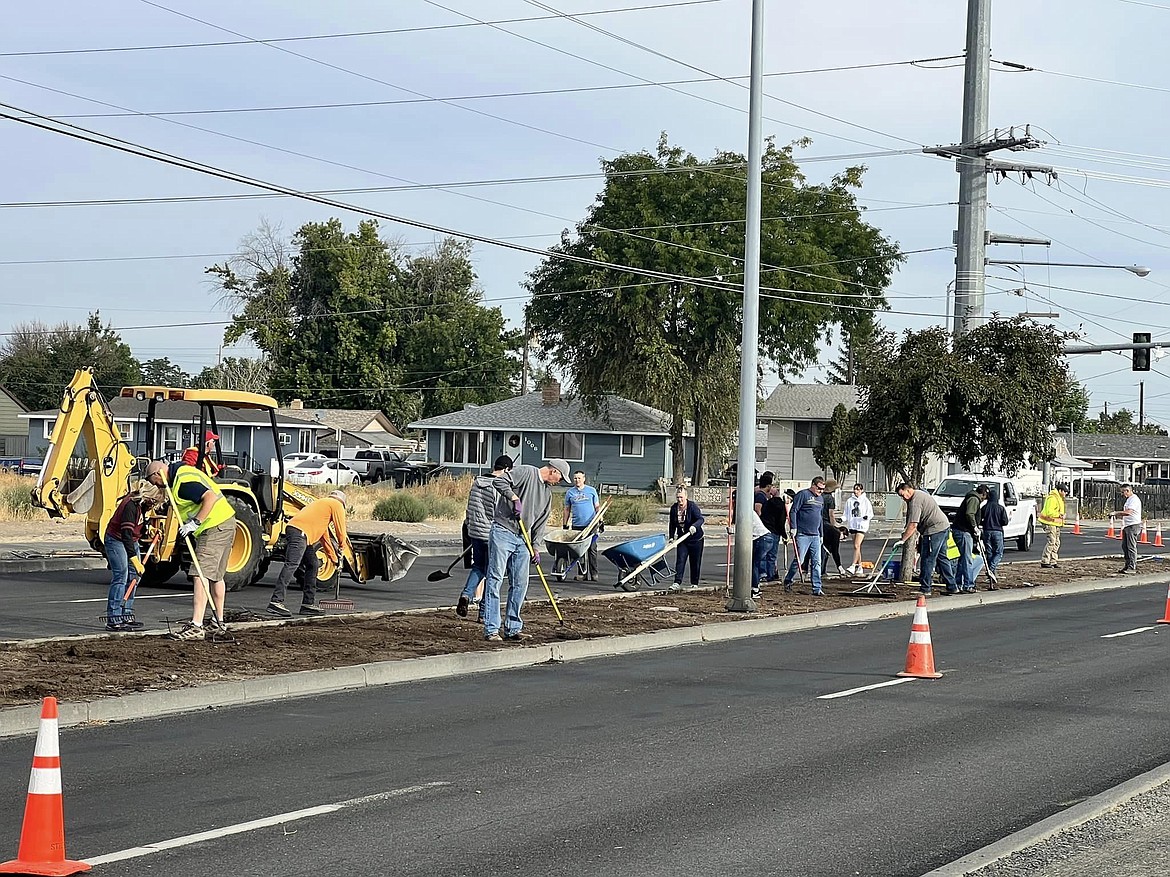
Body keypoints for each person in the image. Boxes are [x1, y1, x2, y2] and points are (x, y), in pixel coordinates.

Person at [146, 459, 237, 640]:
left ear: (157, 474)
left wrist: (195, 523)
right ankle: (217, 622)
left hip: (214, 526)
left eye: (152, 481)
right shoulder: (183, 472)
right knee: (216, 576)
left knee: (200, 574)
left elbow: (209, 497)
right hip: (226, 522)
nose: (155, 485)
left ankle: (196, 625)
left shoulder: (182, 482)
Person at [482, 458, 569, 642]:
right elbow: (499, 481)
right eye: (560, 478)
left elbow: (540, 523)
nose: (559, 483)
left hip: (523, 538)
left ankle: (513, 628)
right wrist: (513, 498)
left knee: (521, 583)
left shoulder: (547, 494)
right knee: (495, 579)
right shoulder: (527, 472)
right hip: (503, 530)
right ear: (553, 471)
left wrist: (535, 547)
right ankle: (491, 629)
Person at [267, 490, 351, 618]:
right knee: (292, 564)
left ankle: (308, 604)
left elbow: (325, 539)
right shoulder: (336, 505)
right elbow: (341, 531)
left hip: (300, 532)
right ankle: (276, 602)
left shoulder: (322, 507)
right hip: (300, 532)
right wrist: (342, 547)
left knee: (313, 564)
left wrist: (334, 560)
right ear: (343, 503)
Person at [457, 455, 513, 618]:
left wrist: (471, 526)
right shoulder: (498, 487)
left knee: (479, 566)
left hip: (474, 531)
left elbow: (469, 508)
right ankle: (484, 613)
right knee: (492, 573)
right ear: (506, 469)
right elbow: (500, 512)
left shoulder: (476, 483)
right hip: (491, 534)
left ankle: (466, 594)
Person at [103, 480, 161, 631]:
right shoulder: (130, 506)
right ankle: (113, 618)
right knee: (121, 575)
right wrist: (135, 560)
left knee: (135, 576)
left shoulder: (143, 506)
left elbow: (140, 526)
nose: (154, 505)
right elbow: (126, 535)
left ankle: (126, 615)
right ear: (148, 497)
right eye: (154, 501)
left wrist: (149, 530)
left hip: (130, 540)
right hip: (116, 539)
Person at [896, 482, 955, 596]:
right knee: (942, 558)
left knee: (928, 558)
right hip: (943, 526)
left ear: (908, 490)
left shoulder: (915, 501)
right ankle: (952, 586)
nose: (903, 499)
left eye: (903, 495)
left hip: (934, 529)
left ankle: (925, 588)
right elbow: (911, 522)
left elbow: (913, 525)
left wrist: (902, 540)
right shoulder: (919, 495)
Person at [782, 476, 826, 597]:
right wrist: (793, 527)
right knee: (799, 560)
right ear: (813, 485)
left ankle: (817, 588)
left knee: (817, 562)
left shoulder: (821, 499)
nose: (821, 491)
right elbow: (793, 511)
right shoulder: (803, 494)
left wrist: (821, 534)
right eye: (819, 488)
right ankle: (788, 580)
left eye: (823, 489)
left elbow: (820, 518)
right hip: (802, 534)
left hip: (815, 535)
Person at [563, 470, 601, 581]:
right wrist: (565, 524)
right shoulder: (570, 493)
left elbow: (597, 507)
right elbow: (566, 509)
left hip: (591, 524)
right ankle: (582, 573)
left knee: (592, 549)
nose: (577, 480)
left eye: (579, 478)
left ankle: (594, 573)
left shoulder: (591, 491)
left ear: (584, 479)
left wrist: (600, 520)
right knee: (580, 551)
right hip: (577, 525)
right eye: (575, 478)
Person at [668, 485, 705, 592]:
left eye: (681, 498)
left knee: (695, 561)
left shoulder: (692, 507)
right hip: (683, 539)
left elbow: (700, 519)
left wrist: (694, 526)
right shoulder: (674, 508)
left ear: (686, 497)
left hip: (696, 539)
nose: (680, 500)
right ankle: (677, 582)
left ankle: (694, 583)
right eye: (678, 497)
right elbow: (672, 524)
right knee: (680, 560)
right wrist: (671, 537)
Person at [951, 484, 982, 593]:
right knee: (967, 559)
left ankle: (958, 583)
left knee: (963, 558)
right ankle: (968, 584)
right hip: (964, 531)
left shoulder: (970, 498)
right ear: (983, 494)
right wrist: (974, 527)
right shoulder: (974, 499)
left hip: (961, 531)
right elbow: (970, 514)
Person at [977, 484, 1007, 587]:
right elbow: (1005, 521)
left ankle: (991, 573)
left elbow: (979, 520)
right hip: (997, 531)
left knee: (989, 552)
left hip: (986, 531)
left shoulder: (984, 507)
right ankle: (991, 569)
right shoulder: (1000, 508)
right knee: (998, 552)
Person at [759, 481, 789, 580]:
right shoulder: (781, 505)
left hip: (765, 530)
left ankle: (763, 573)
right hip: (775, 532)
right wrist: (784, 534)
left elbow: (763, 515)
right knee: (772, 555)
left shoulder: (767, 503)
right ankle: (770, 575)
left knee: (763, 553)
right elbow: (781, 521)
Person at [1110, 483, 1142, 575]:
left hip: (1133, 525)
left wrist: (1116, 513)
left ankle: (1132, 567)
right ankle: (1127, 565)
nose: (1122, 494)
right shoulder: (1129, 500)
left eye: (1123, 492)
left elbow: (1128, 512)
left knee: (1131, 547)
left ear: (1128, 491)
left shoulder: (1134, 500)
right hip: (1128, 525)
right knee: (1125, 546)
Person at [843, 483, 873, 576]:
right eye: (855, 489)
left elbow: (870, 513)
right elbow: (846, 513)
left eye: (858, 489)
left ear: (862, 490)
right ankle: (860, 566)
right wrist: (842, 519)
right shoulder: (849, 501)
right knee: (857, 547)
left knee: (857, 545)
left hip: (861, 525)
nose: (856, 491)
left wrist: (866, 517)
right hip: (853, 525)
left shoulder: (865, 501)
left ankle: (853, 565)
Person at [1038, 483, 1068, 569]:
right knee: (1052, 541)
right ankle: (1045, 561)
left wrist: (1061, 516)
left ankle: (1053, 561)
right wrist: (1060, 515)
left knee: (1056, 542)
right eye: (1065, 492)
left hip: (1056, 524)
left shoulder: (1059, 498)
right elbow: (1049, 512)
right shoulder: (1052, 498)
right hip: (1049, 523)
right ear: (1060, 491)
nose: (1066, 494)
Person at [750, 507, 774, 600]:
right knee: (755, 563)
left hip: (762, 538)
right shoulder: (746, 511)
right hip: (764, 538)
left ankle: (755, 589)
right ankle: (755, 586)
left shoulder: (745, 511)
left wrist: (732, 532)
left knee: (754, 564)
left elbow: (744, 528)